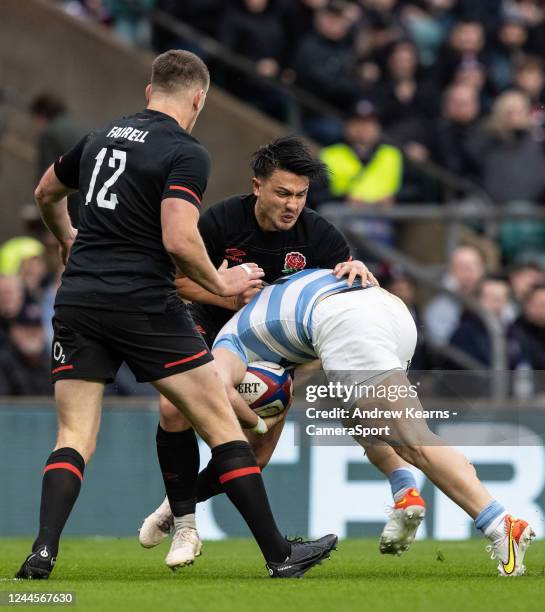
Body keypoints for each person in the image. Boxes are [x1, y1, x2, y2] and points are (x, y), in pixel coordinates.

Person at [16, 50, 337, 580]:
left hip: (77, 299)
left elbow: (47, 192)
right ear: (199, 98)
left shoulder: (98, 138)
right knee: (219, 424)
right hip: (142, 302)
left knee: (74, 435)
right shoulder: (185, 151)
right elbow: (179, 238)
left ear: (149, 91)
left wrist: (68, 236)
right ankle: (279, 554)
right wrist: (222, 282)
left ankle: (43, 552)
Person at [139, 135, 382, 562]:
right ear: (258, 186)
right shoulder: (222, 222)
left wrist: (357, 271)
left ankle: (179, 504)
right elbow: (174, 280)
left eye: (301, 195)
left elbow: (345, 299)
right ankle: (186, 527)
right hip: (210, 328)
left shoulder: (319, 236)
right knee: (174, 408)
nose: (293, 204)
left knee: (259, 450)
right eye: (283, 193)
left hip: (271, 351)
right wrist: (227, 296)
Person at [209, 269, 535, 576]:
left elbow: (221, 389)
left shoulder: (229, 339)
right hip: (388, 310)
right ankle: (405, 491)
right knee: (359, 417)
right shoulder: (281, 298)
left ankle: (502, 525)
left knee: (413, 439)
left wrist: (257, 422)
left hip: (349, 323)